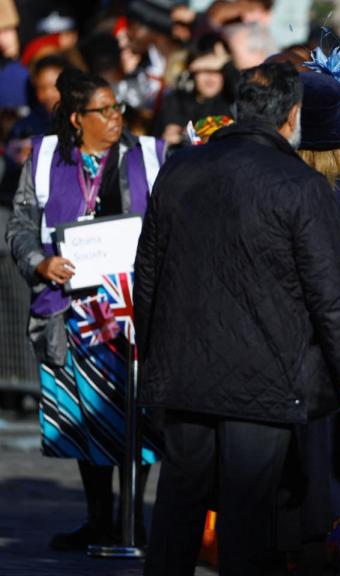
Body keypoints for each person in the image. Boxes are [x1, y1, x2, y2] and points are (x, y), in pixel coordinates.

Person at [136, 62, 340, 576]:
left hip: (185, 373)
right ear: (292, 116)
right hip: (263, 379)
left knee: (178, 510)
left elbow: (147, 276)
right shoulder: (301, 184)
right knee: (247, 519)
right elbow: (330, 291)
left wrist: (152, 358)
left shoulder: (179, 169)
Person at [6, 68, 165, 550]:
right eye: (105, 110)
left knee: (134, 418)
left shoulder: (147, 156)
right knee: (84, 418)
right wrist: (41, 261)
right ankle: (98, 518)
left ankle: (131, 519)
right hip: (70, 313)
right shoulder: (46, 156)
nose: (117, 117)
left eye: (118, 107)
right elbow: (19, 226)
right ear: (77, 118)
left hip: (131, 314)